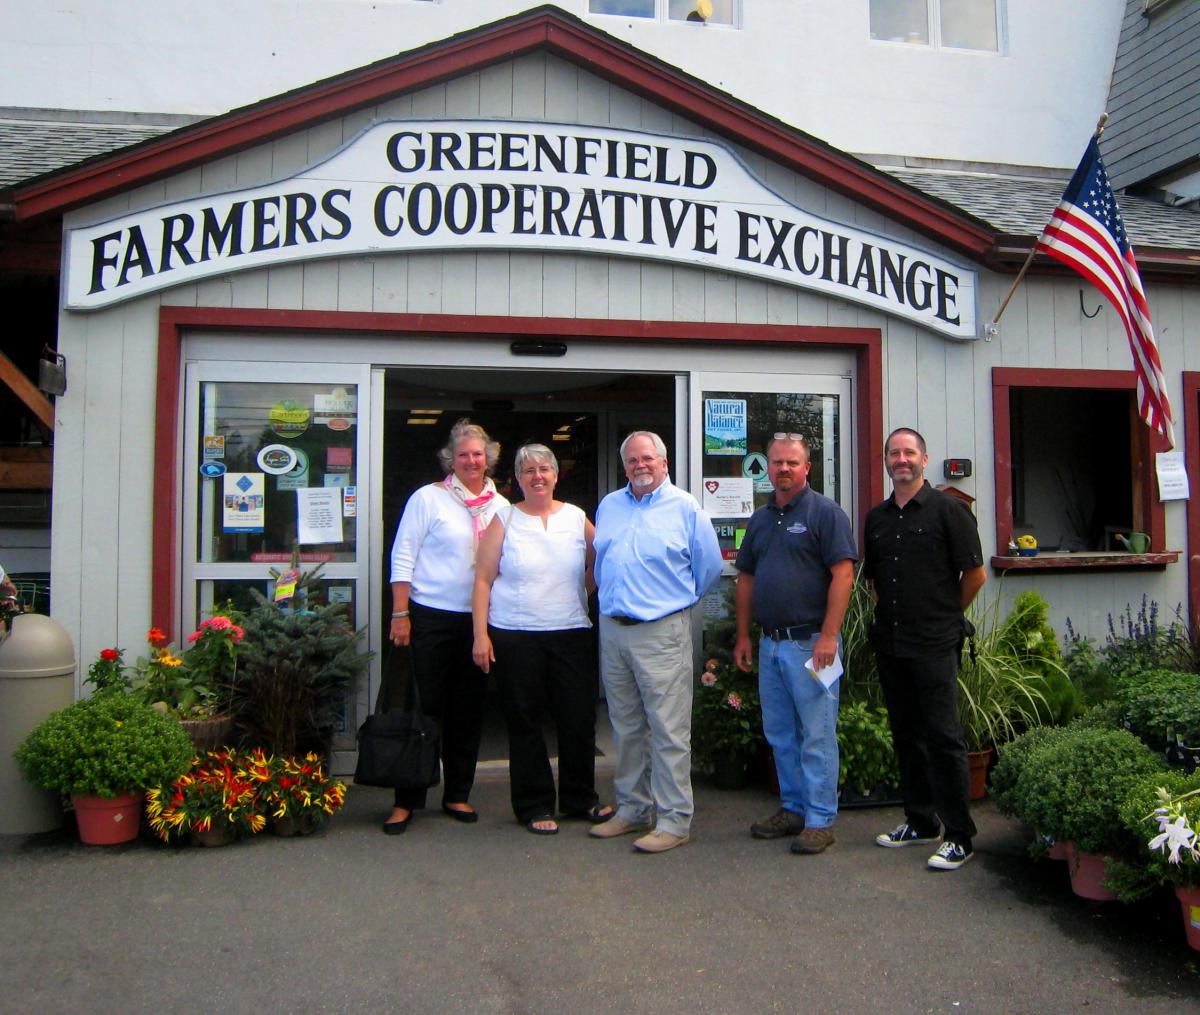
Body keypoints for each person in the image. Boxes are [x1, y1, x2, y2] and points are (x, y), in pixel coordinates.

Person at [589, 431, 723, 853]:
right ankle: (632, 809)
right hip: (613, 631)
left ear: (664, 463)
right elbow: (602, 562)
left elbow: (709, 568)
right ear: (624, 466)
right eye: (632, 460)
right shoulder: (610, 506)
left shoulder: (685, 508)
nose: (640, 465)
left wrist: (671, 605)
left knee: (668, 730)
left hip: (661, 632)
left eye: (647, 458)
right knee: (626, 727)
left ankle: (674, 820)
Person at [471, 443, 613, 835]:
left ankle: (580, 798)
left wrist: (578, 592)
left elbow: (601, 560)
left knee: (578, 718)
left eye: (544, 469)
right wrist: (480, 635)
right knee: (525, 720)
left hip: (570, 631)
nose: (537, 477)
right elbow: (482, 580)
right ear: (518, 479)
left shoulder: (576, 517)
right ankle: (533, 804)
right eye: (528, 470)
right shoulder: (504, 519)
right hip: (516, 634)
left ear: (555, 475)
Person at [863, 427, 986, 871]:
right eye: (894, 453)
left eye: (909, 452)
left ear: (924, 459)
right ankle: (919, 820)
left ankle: (959, 836)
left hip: (935, 644)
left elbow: (975, 575)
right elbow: (875, 582)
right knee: (906, 734)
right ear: (886, 461)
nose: (901, 459)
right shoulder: (876, 519)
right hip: (892, 643)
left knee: (943, 738)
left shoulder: (950, 512)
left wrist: (945, 616)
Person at [384, 418, 509, 835]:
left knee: (467, 710)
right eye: (463, 455)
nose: (471, 461)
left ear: (489, 458)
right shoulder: (428, 498)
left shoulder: (501, 506)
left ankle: (457, 793)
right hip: (431, 617)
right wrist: (400, 613)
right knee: (423, 710)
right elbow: (403, 554)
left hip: (478, 622)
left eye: (478, 454)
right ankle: (406, 800)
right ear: (450, 459)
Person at [734, 434, 857, 855]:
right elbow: (746, 578)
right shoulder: (761, 519)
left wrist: (829, 635)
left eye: (792, 462)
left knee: (817, 735)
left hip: (812, 644)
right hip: (770, 645)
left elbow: (844, 575)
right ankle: (792, 809)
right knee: (781, 734)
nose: (783, 469)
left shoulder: (825, 513)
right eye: (777, 462)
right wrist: (743, 635)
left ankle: (820, 820)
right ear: (767, 468)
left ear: (807, 468)